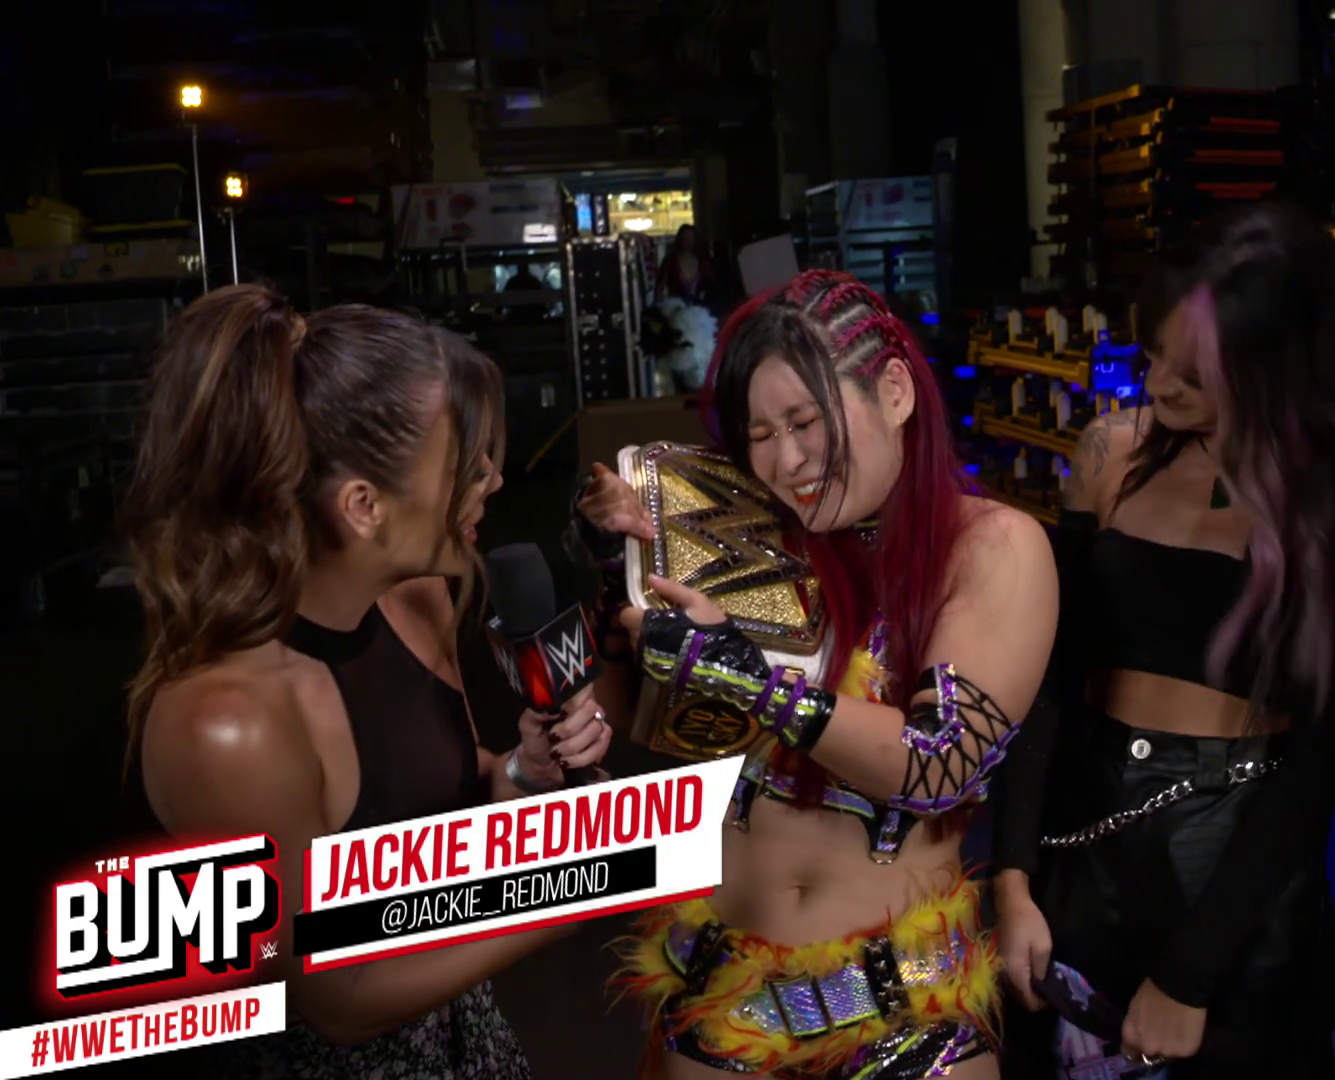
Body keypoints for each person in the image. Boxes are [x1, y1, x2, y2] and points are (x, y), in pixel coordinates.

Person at [121, 285, 615, 1078]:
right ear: (363, 506)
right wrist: (573, 891)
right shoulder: (227, 723)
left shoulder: (420, 599)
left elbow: (436, 801)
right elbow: (338, 998)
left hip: (473, 1046)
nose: (493, 481)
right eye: (464, 464)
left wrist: (523, 773)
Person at [578, 268, 1056, 1078]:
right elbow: (645, 719)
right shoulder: (745, 534)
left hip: (904, 1014)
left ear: (895, 391)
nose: (786, 460)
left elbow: (937, 761)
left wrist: (750, 678)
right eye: (758, 434)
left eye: (805, 421)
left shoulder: (991, 547)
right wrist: (621, 584)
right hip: (715, 993)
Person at [993, 202, 1335, 1078]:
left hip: (1238, 854)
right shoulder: (1111, 452)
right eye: (1152, 353)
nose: (1158, 385)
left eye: (1193, 372)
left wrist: (1191, 974)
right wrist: (1011, 878)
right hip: (1085, 835)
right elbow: (1050, 685)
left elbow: (1324, 755)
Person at [659, 224, 713, 305]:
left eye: (690, 238)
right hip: (675, 306)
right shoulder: (670, 261)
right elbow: (660, 287)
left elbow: (711, 286)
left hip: (699, 307)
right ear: (679, 239)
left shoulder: (703, 263)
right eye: (685, 237)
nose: (687, 241)